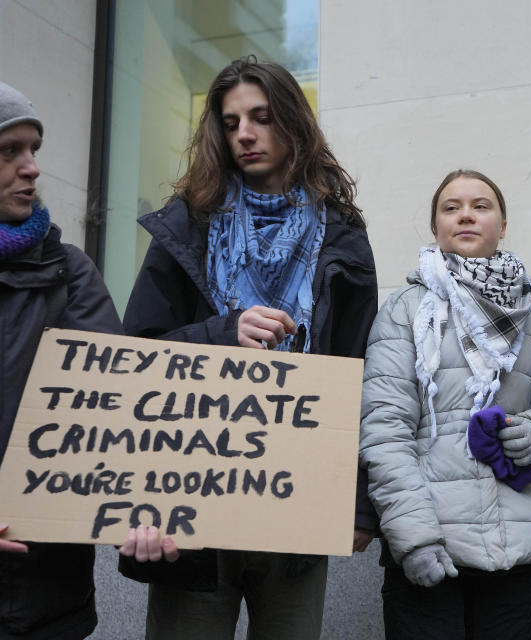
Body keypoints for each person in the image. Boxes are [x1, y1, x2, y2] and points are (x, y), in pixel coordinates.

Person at [116, 57, 378, 639]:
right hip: (189, 501)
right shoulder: (187, 225)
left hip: (298, 494)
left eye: (260, 118)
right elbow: (136, 358)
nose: (245, 134)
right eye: (231, 122)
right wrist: (221, 333)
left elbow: (362, 374)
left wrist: (359, 501)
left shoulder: (342, 234)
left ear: (292, 123)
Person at [359, 169, 531, 639]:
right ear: (435, 227)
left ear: (502, 225)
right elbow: (385, 429)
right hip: (431, 548)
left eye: (480, 205)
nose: (465, 215)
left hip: (516, 548)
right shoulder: (406, 309)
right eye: (451, 207)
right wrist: (414, 539)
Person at [0, 82, 122, 639]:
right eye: (8, 152)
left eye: (34, 151)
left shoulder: (69, 272)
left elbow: (118, 415)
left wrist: (139, 508)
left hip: (42, 597)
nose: (31, 169)